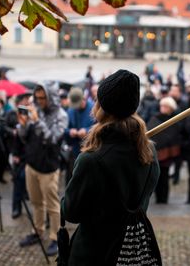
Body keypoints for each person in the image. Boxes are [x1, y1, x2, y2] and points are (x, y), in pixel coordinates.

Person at [62, 69, 160, 265]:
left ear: (102, 106)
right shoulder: (148, 151)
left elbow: (71, 212)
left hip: (94, 254)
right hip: (130, 252)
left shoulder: (91, 160)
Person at [18, 84, 68, 257]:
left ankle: (56, 237)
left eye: (42, 98)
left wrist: (37, 121)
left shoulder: (61, 115)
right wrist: (23, 125)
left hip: (49, 168)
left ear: (51, 97)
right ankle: (37, 231)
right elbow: (24, 138)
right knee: (36, 202)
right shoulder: (35, 110)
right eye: (37, 97)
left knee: (53, 205)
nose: (39, 101)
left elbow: (52, 139)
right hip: (32, 164)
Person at [147, 96, 181, 204]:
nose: (163, 108)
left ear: (171, 108)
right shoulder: (154, 118)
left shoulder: (174, 119)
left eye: (165, 106)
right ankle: (158, 197)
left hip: (168, 152)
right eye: (162, 105)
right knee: (156, 176)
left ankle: (164, 198)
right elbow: (150, 132)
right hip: (156, 151)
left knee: (165, 176)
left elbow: (173, 134)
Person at [64, 87, 95, 183]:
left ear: (83, 99)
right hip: (75, 150)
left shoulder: (93, 109)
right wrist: (70, 132)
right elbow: (64, 129)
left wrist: (86, 131)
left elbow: (101, 126)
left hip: (91, 150)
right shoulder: (70, 110)